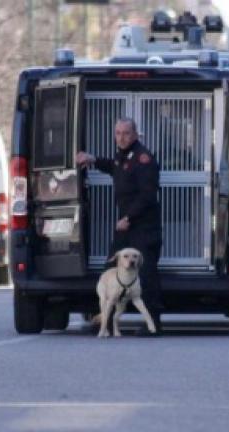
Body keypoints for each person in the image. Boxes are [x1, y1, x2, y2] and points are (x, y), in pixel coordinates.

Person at [76, 118, 163, 336]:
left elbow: (147, 195)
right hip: (126, 225)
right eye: (117, 133)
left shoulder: (143, 159)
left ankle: (153, 324)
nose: (121, 137)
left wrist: (129, 218)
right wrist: (93, 159)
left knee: (146, 274)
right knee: (111, 269)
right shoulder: (123, 156)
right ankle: (103, 321)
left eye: (126, 133)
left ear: (135, 135)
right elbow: (115, 167)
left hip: (142, 226)